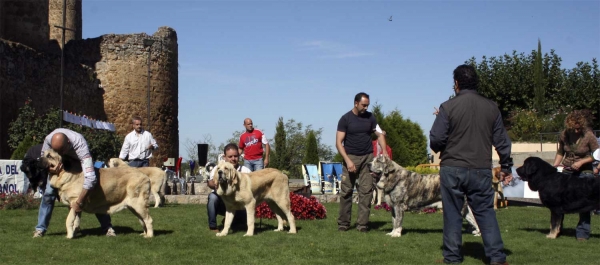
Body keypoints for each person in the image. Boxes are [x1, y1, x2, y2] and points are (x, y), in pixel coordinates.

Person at [430, 65, 512, 265]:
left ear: (456, 83)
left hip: (452, 168)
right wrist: (506, 166)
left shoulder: (448, 107)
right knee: (485, 213)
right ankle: (497, 258)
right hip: (481, 168)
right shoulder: (492, 107)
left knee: (452, 215)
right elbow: (502, 141)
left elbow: (436, 140)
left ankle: (452, 258)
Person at [33, 128, 115, 238]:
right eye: (57, 151)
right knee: (48, 194)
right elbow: (43, 160)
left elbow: (90, 178)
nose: (60, 154)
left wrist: (79, 202)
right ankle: (40, 229)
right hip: (58, 169)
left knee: (94, 192)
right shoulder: (49, 139)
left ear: (68, 143)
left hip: (78, 165)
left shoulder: (80, 144)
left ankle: (107, 228)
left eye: (62, 151)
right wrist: (50, 169)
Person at [336, 92, 387, 232]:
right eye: (364, 105)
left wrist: (385, 152)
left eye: (367, 105)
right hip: (350, 157)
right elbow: (339, 143)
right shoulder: (345, 119)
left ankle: (362, 225)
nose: (366, 107)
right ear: (356, 103)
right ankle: (343, 224)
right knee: (346, 192)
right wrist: (347, 161)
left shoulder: (370, 118)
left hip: (367, 159)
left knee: (366, 192)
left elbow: (380, 134)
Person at [552, 110, 599, 239]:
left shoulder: (589, 136)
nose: (577, 131)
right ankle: (556, 229)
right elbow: (560, 152)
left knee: (584, 202)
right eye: (574, 128)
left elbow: (596, 155)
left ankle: (582, 233)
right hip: (567, 171)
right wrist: (554, 167)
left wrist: (582, 162)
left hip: (585, 173)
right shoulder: (564, 135)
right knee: (560, 200)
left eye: (579, 128)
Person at [207, 143, 252, 232]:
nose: (233, 159)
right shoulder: (218, 168)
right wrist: (215, 184)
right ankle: (213, 227)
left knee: (240, 226)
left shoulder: (245, 170)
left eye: (235, 156)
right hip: (222, 202)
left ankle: (232, 221)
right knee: (212, 198)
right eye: (230, 156)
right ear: (225, 157)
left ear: (239, 156)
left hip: (239, 203)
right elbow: (210, 182)